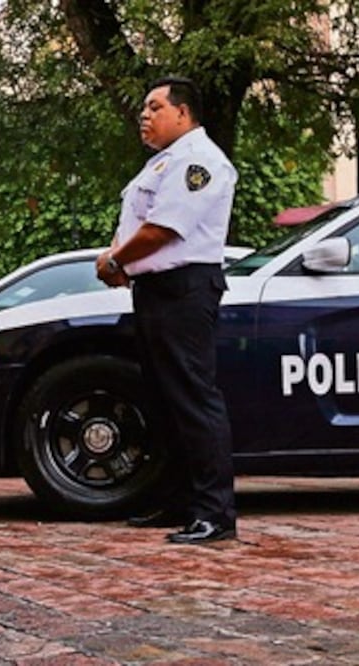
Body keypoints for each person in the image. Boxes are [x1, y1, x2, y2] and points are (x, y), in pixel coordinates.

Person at [95, 76, 237, 544]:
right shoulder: (163, 163)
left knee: (193, 398)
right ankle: (179, 500)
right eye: (143, 107)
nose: (144, 115)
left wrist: (116, 260)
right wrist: (120, 258)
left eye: (155, 107)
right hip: (155, 290)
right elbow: (137, 222)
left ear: (183, 112)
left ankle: (215, 514)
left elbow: (164, 229)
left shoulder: (199, 160)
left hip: (184, 289)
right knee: (164, 399)